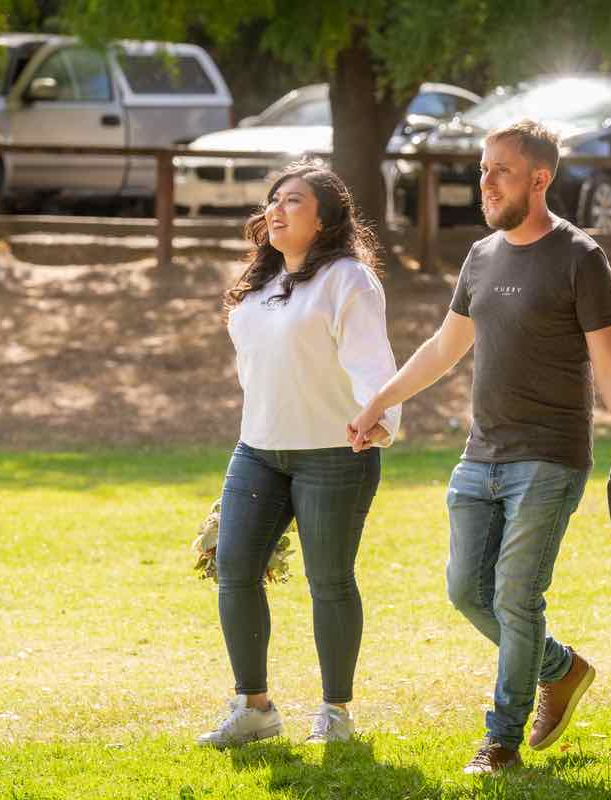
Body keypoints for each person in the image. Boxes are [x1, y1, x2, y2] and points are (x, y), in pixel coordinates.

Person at [349, 120, 611, 774]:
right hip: (480, 457)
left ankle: (502, 740)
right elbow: (444, 348)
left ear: (540, 179)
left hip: (550, 456)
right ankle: (560, 669)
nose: (484, 183)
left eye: (500, 171)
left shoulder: (580, 257)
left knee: (516, 596)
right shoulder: (481, 257)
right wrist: (381, 400)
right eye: (483, 170)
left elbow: (610, 363)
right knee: (466, 591)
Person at [198, 162, 401, 750]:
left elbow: (372, 364)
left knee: (329, 580)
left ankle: (336, 714)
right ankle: (254, 707)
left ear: (325, 220)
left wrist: (376, 420)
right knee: (233, 569)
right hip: (258, 451)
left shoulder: (348, 280)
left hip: (336, 453)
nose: (277, 210)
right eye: (273, 201)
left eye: (293, 200)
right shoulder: (257, 286)